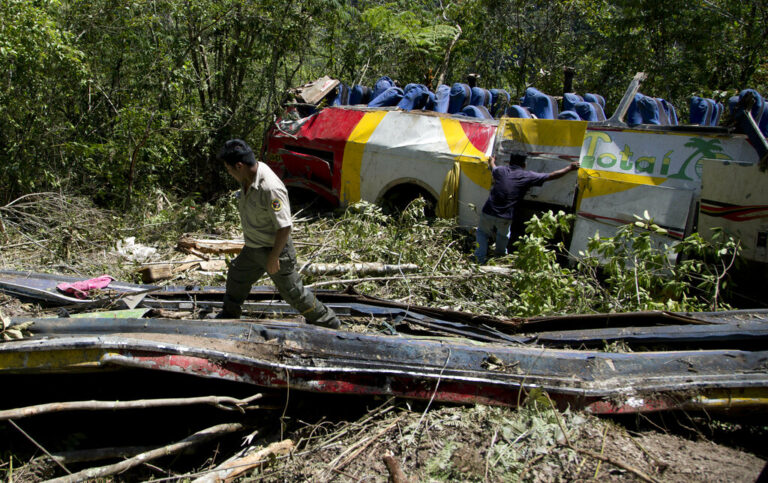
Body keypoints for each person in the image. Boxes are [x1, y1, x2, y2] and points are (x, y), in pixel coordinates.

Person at [215, 139, 341, 328]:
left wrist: (274, 257)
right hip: (253, 248)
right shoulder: (248, 177)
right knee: (236, 276)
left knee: (293, 292)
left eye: (229, 169)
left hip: (275, 250)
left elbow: (285, 227)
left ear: (239, 166)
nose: (229, 173)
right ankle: (229, 314)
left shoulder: (270, 188)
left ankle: (329, 322)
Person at [474, 153, 579, 263]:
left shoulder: (500, 171)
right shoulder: (527, 176)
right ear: (524, 165)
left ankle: (479, 259)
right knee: (503, 236)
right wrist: (569, 168)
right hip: (505, 216)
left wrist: (492, 161)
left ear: (509, 163)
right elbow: (551, 176)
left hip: (488, 211)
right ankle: (499, 258)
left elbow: (493, 168)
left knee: (482, 233)